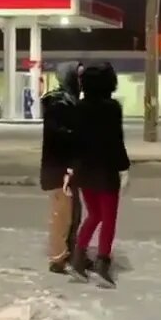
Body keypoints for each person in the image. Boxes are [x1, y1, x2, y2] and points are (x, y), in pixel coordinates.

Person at [69, 63, 131, 287]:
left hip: (85, 170)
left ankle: (78, 257)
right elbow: (116, 141)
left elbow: (74, 141)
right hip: (106, 170)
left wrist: (73, 167)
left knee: (93, 214)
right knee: (108, 218)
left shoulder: (80, 107)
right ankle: (102, 263)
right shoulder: (112, 108)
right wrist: (124, 167)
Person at [40, 61, 83, 274]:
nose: (82, 81)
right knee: (62, 216)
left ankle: (71, 252)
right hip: (59, 170)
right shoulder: (59, 103)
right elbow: (60, 136)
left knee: (74, 213)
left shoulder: (71, 101)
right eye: (79, 76)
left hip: (69, 168)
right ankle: (58, 259)